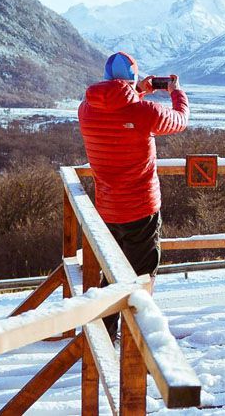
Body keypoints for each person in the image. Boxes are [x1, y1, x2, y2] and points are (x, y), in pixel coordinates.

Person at [78, 51, 189, 339]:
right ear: (132, 80)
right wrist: (177, 93)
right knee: (141, 279)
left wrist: (138, 91)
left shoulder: (86, 109)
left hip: (106, 208)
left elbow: (116, 106)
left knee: (111, 276)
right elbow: (180, 120)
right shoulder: (146, 113)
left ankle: (102, 337)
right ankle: (136, 344)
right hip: (141, 207)